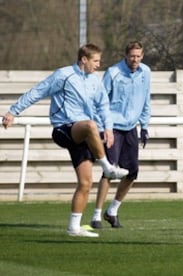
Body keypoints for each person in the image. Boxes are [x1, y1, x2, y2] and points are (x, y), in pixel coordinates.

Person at [2, 43, 129, 238]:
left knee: (86, 183)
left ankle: (74, 227)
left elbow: (103, 104)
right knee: (90, 125)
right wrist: (13, 111)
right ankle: (108, 167)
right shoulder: (63, 75)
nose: (98, 65)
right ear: (83, 59)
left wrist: (109, 128)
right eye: (95, 61)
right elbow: (38, 91)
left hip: (83, 134)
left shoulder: (95, 81)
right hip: (63, 129)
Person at [90, 41, 151, 229]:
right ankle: (97, 215)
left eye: (138, 56)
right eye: (132, 56)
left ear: (142, 56)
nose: (135, 60)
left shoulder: (146, 72)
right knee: (110, 171)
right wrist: (103, 129)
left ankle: (112, 211)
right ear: (126, 55)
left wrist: (145, 126)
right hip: (113, 127)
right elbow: (100, 101)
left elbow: (146, 98)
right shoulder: (113, 73)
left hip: (131, 128)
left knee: (132, 173)